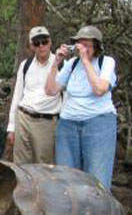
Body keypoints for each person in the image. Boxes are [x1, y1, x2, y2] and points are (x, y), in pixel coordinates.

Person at [45, 25, 117, 189]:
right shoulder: (71, 64)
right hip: (68, 123)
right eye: (79, 44)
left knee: (97, 176)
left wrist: (85, 60)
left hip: (98, 122)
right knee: (66, 175)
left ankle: (98, 213)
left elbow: (99, 89)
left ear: (96, 46)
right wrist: (56, 62)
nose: (82, 49)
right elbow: (50, 90)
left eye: (87, 45)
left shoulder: (106, 62)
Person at [7, 26, 62, 164]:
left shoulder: (61, 64)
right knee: (21, 166)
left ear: (50, 42)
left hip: (47, 121)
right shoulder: (26, 65)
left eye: (44, 41)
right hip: (23, 118)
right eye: (37, 43)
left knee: (44, 165)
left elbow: (66, 97)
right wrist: (12, 127)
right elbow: (17, 95)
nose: (41, 46)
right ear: (32, 46)